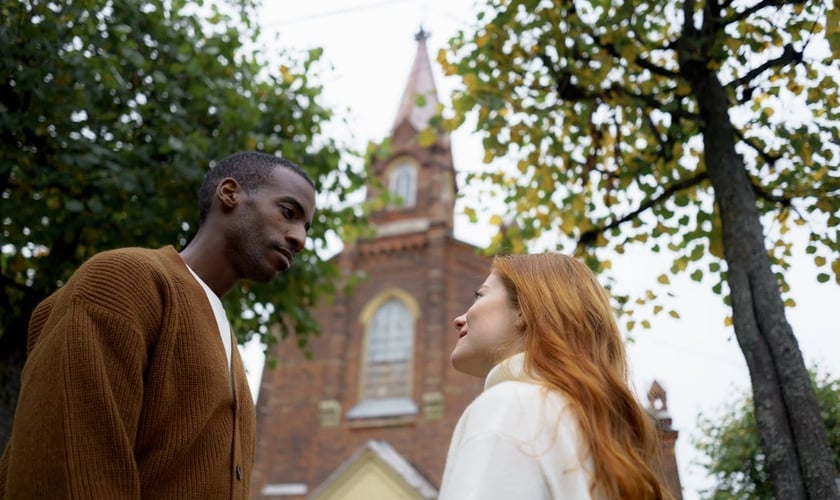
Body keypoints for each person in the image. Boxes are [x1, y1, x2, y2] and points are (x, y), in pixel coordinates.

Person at [0, 151, 316, 499]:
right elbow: (67, 464)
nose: (299, 239)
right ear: (229, 193)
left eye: (306, 228)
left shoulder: (226, 342)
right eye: (288, 213)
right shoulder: (124, 280)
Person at [439, 253, 668, 499]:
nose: (458, 319)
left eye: (480, 295)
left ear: (524, 310)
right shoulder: (599, 438)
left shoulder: (511, 406)